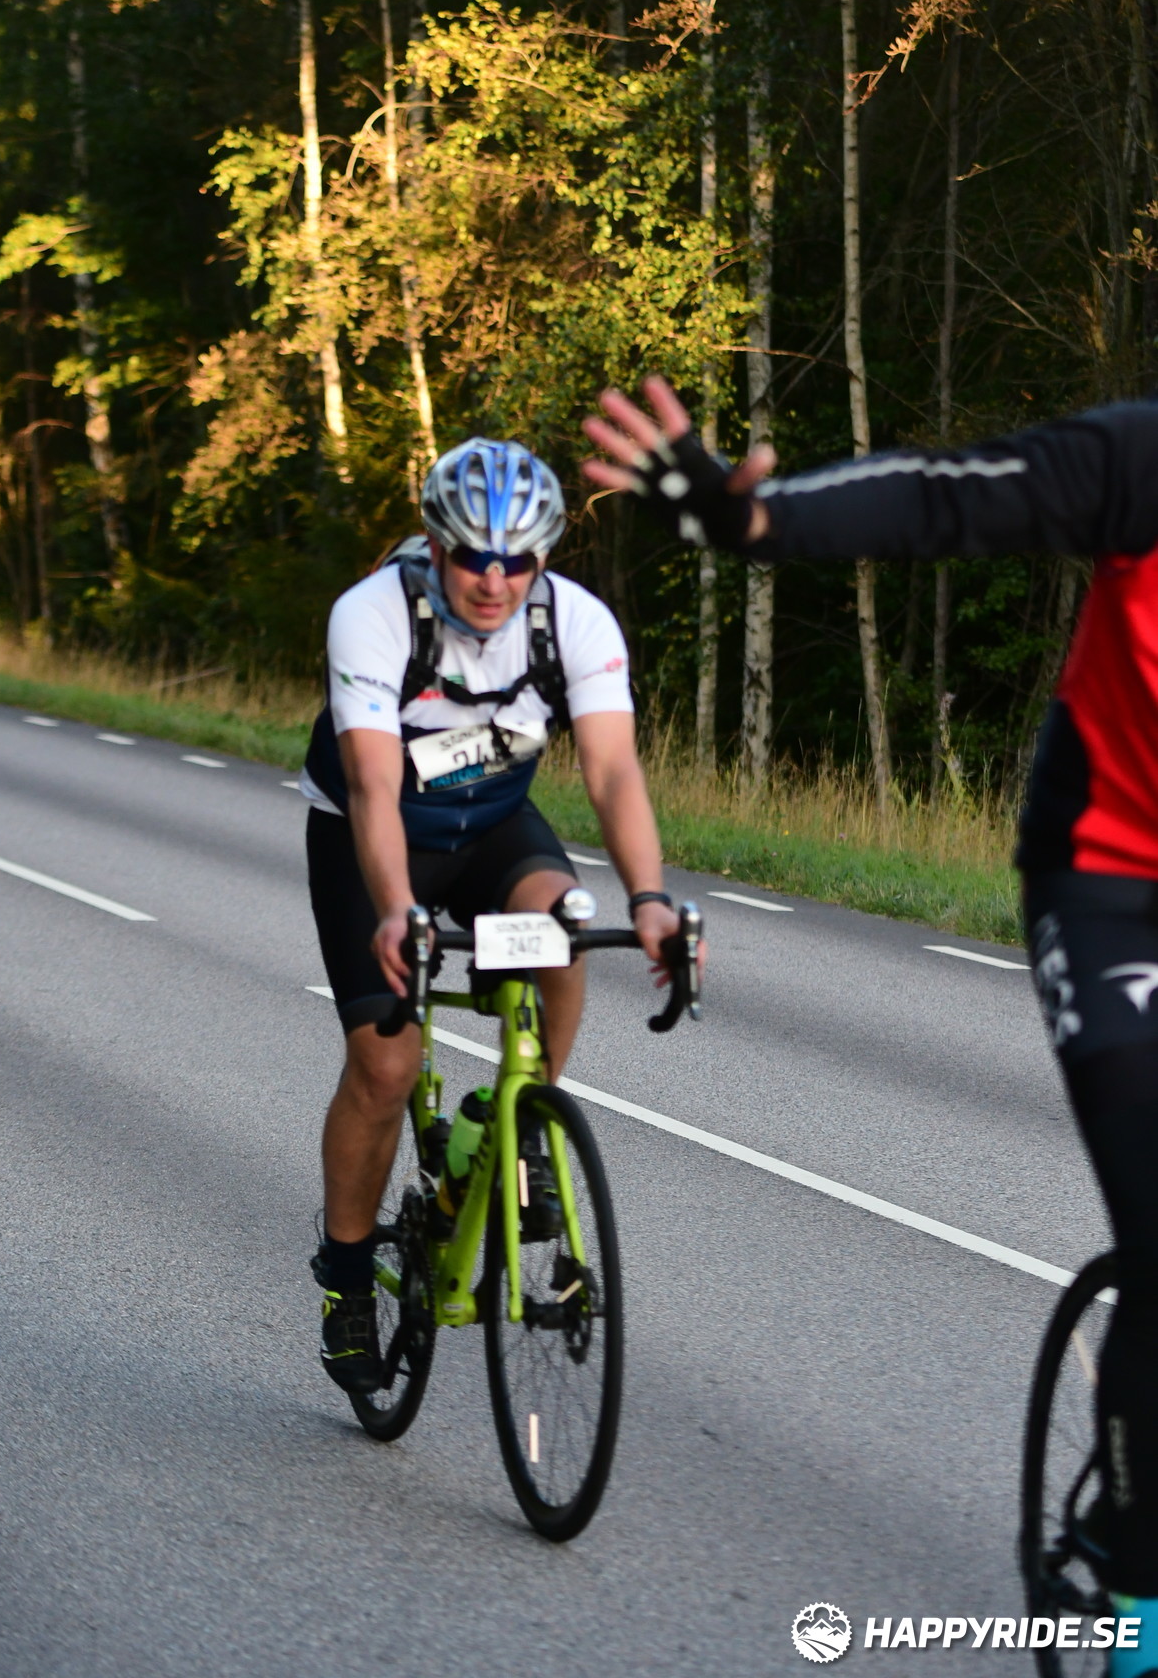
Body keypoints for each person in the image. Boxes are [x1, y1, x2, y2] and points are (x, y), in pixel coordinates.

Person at [584, 375, 1158, 1678]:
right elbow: (942, 500)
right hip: (1113, 882)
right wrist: (754, 521)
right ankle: (1136, 1588)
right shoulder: (1141, 463)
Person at [301, 437, 683, 1395]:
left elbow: (611, 771)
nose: (493, 579)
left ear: (543, 556)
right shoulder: (372, 616)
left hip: (493, 824)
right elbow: (372, 784)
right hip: (373, 832)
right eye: (472, 555)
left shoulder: (573, 623)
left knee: (563, 925)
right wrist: (398, 909)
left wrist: (647, 898)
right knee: (385, 1066)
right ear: (436, 545)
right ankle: (347, 1277)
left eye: (517, 560)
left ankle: (520, 1117)